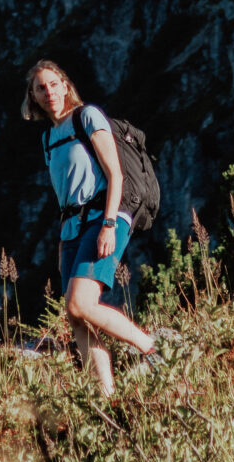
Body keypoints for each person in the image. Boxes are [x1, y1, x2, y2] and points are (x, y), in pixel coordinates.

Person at [23, 59, 161, 395]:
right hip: (71, 229)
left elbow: (115, 173)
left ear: (66, 86)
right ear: (33, 97)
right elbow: (66, 194)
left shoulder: (87, 117)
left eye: (54, 84)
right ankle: (105, 393)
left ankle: (154, 350)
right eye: (40, 88)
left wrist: (109, 224)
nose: (49, 92)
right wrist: (61, 244)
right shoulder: (49, 139)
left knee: (81, 304)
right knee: (76, 317)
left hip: (104, 216)